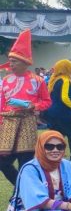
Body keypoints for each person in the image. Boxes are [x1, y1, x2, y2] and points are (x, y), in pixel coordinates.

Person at [0, 29, 52, 184]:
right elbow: (2, 104)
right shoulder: (6, 80)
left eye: (14, 61)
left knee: (25, 163)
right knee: (3, 162)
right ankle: (20, 188)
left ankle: (23, 193)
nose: (11, 64)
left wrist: (33, 106)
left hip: (27, 123)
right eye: (10, 60)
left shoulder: (38, 80)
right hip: (8, 124)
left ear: (24, 62)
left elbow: (47, 102)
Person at [42, 59, 71, 157]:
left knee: (55, 137)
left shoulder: (55, 79)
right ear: (66, 68)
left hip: (53, 114)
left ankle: (49, 157)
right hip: (64, 114)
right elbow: (65, 98)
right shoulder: (65, 80)